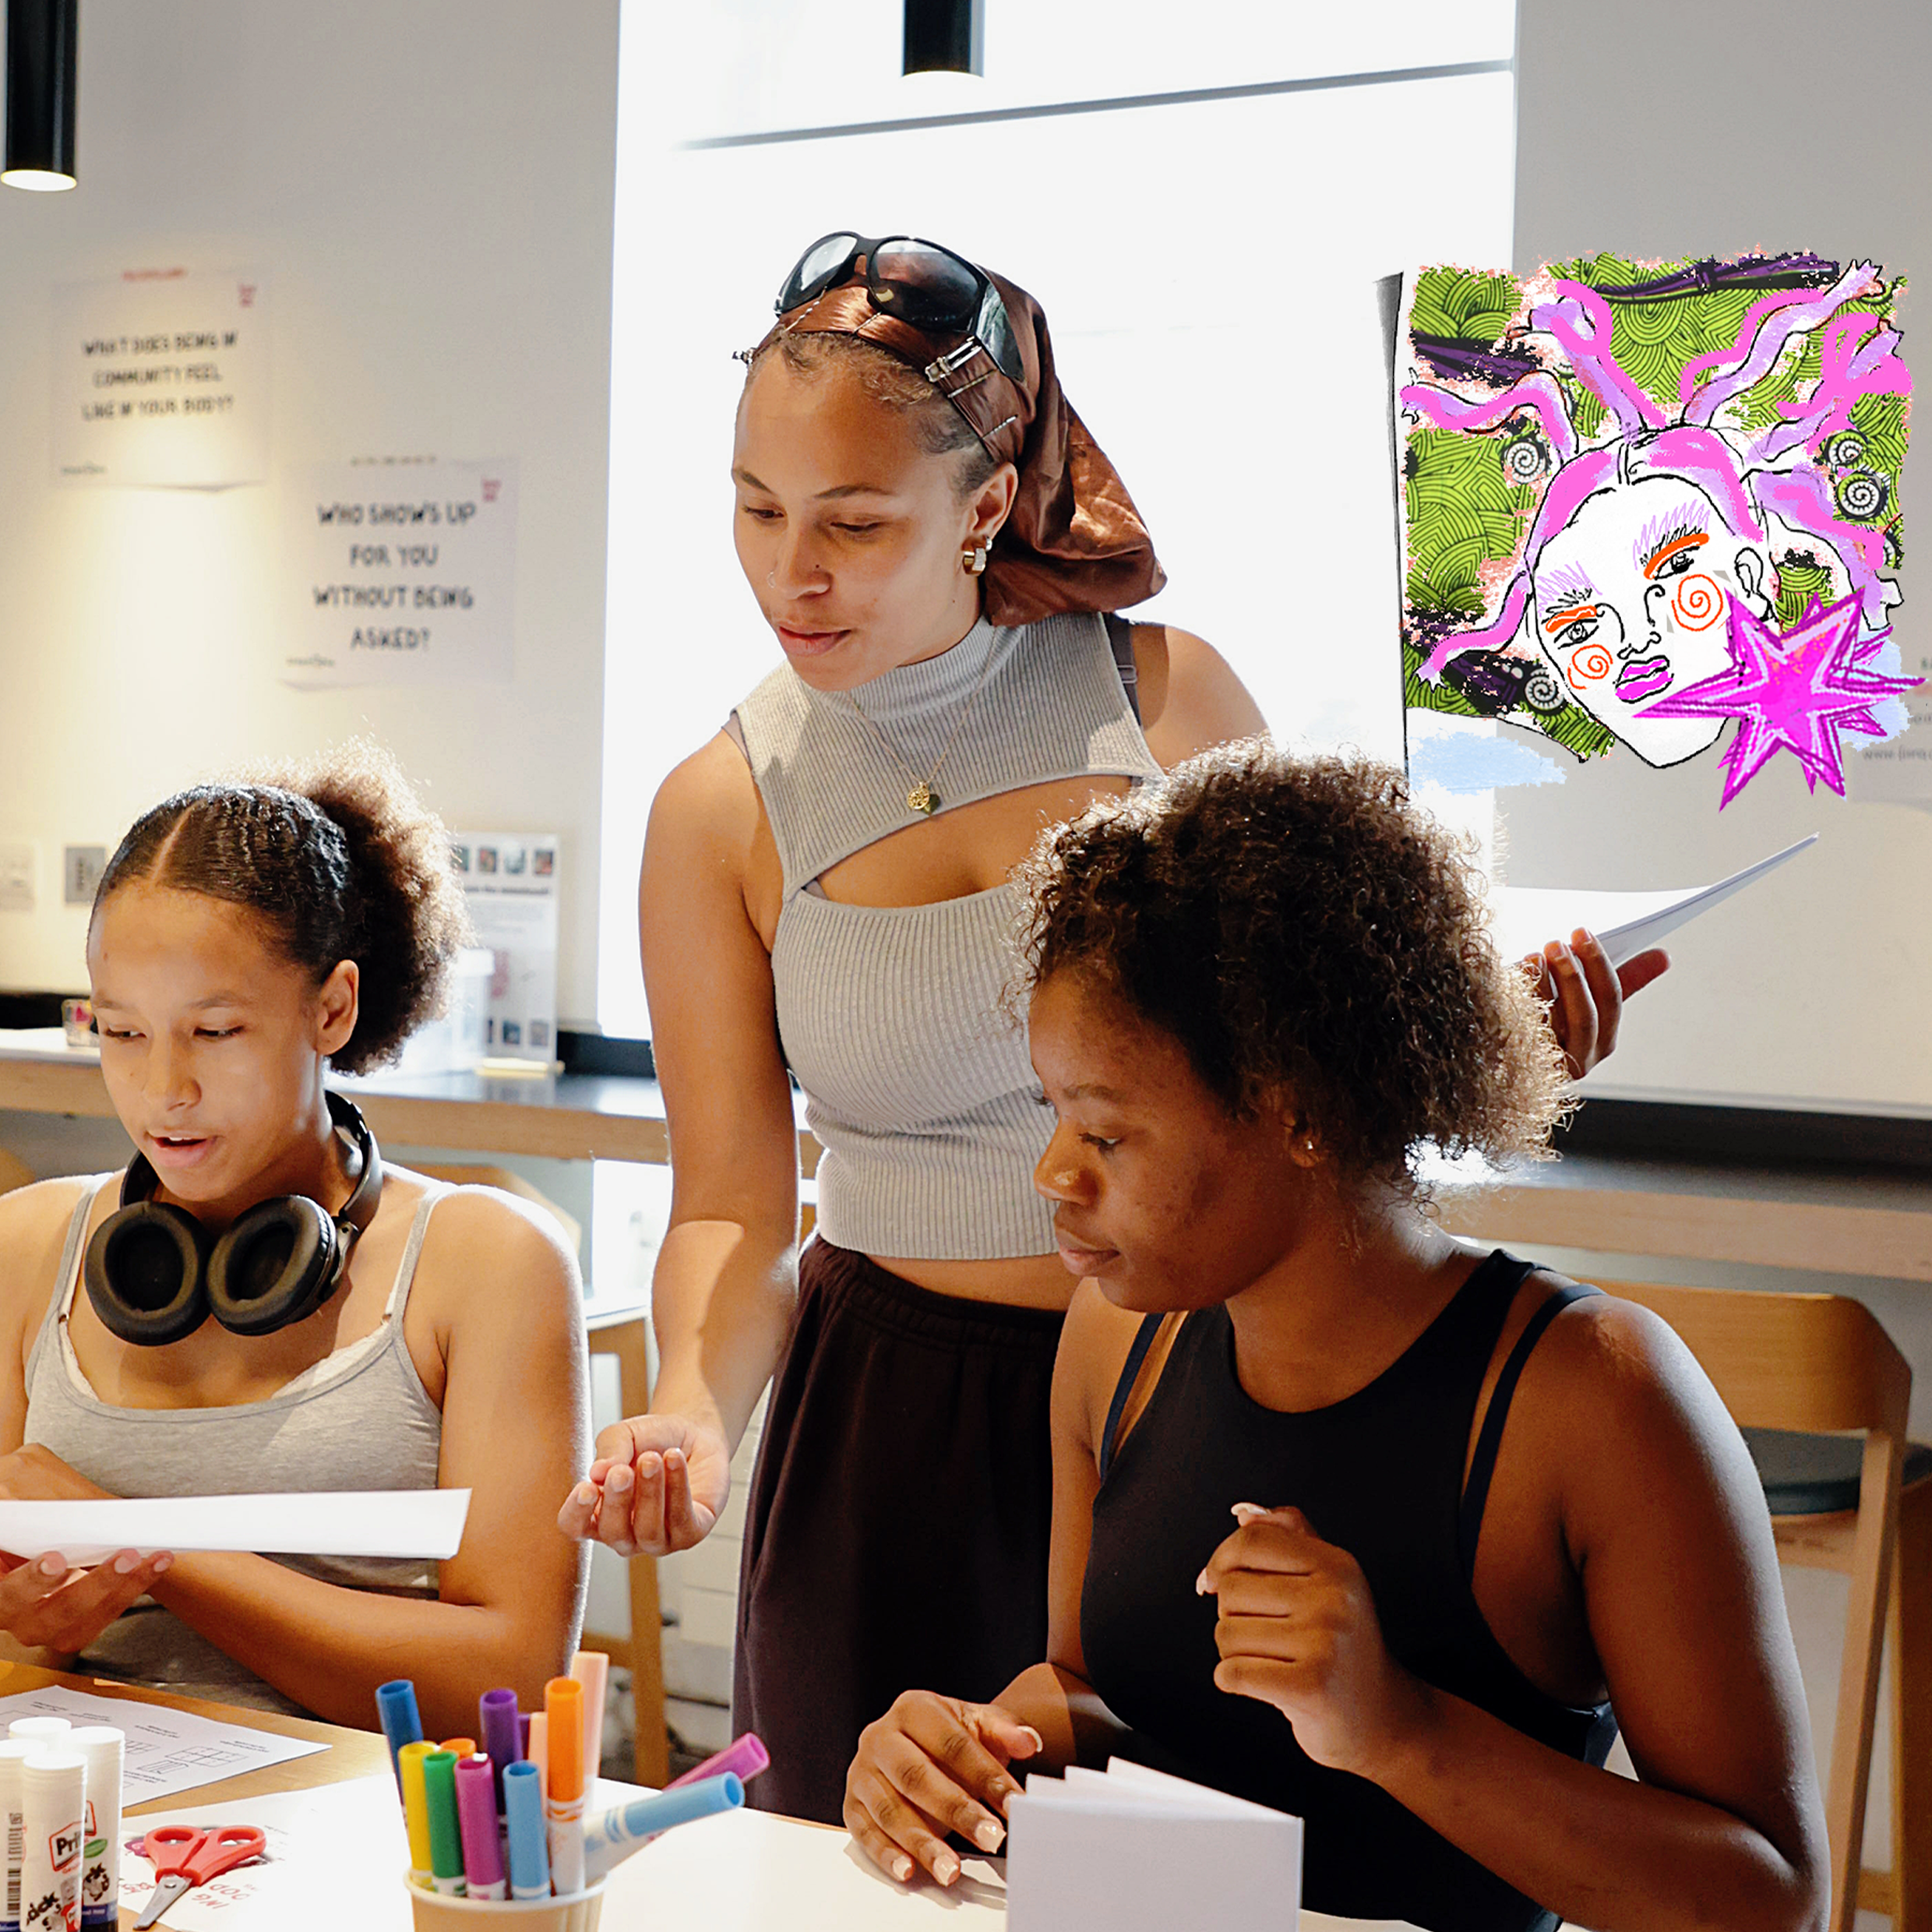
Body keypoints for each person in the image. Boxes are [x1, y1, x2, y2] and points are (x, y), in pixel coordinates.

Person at [560, 232, 1665, 1823]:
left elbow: (1308, 1097)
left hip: (1187, 1387)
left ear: (989, 503)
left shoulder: (1167, 708)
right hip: (886, 1421)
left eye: (856, 521)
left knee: (1187, 1859)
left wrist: (1492, 1059)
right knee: (863, 1869)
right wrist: (687, 1406)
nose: (792, 572)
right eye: (756, 510)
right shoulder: (719, 805)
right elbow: (734, 1200)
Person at [841, 742, 1828, 1932]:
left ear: (1296, 1109)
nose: (1053, 1173)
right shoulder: (1114, 1342)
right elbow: (1102, 1694)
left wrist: (1397, 1730)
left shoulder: (1594, 1396)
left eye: (1106, 1133)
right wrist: (969, 1748)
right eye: (1053, 1113)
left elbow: (1771, 1901)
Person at [0, 746, 590, 1736]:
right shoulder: (27, 1244)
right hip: (84, 1808)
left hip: (361, 1823)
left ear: (332, 1007)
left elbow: (511, 1679)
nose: (163, 1090)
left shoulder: (486, 1263)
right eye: (120, 1032)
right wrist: (25, 1623)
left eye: (216, 1031)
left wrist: (148, 1546)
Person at [1405, 257, 1909, 769]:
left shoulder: (1563, 518)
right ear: (1750, 580)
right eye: (1674, 569)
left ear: (1549, 655)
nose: (1637, 642)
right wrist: (1840, 295)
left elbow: (1499, 627)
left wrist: (1445, 654)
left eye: (1578, 629)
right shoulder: (1721, 477)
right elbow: (1768, 347)